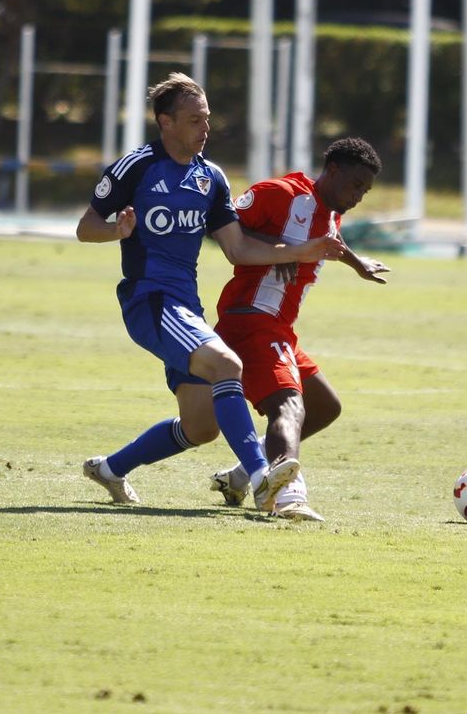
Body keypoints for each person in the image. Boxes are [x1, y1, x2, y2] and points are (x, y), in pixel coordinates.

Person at [78, 72, 343, 511]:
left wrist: (304, 250)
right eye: (195, 120)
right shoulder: (138, 167)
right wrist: (116, 230)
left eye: (207, 118)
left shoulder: (211, 178)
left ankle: (109, 469)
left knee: (201, 427)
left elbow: (238, 249)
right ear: (165, 122)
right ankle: (262, 478)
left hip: (185, 306)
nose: (206, 128)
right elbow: (85, 227)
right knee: (227, 364)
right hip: (150, 300)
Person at [206, 138, 390, 522]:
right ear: (333, 170)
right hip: (250, 319)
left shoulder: (331, 211)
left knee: (325, 406)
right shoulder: (281, 193)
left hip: (279, 328)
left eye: (366, 191)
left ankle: (242, 476)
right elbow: (223, 229)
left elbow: (330, 241)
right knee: (289, 406)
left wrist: (358, 264)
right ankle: (290, 496)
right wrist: (280, 247)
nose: (359, 196)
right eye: (356, 185)